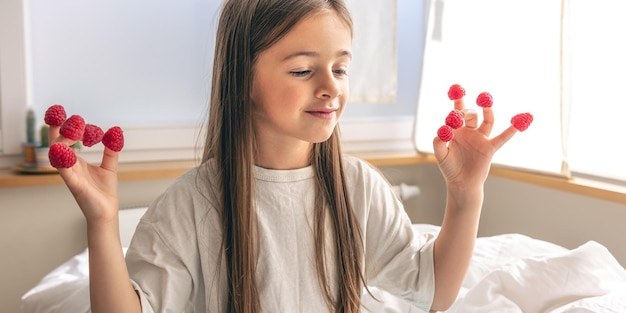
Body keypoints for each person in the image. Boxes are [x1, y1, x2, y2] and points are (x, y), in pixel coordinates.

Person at [49, 0, 518, 312]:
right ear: (243, 77)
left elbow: (431, 292)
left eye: (340, 67)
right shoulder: (193, 202)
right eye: (302, 69)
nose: (331, 86)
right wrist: (103, 222)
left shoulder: (360, 187)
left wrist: (465, 195)